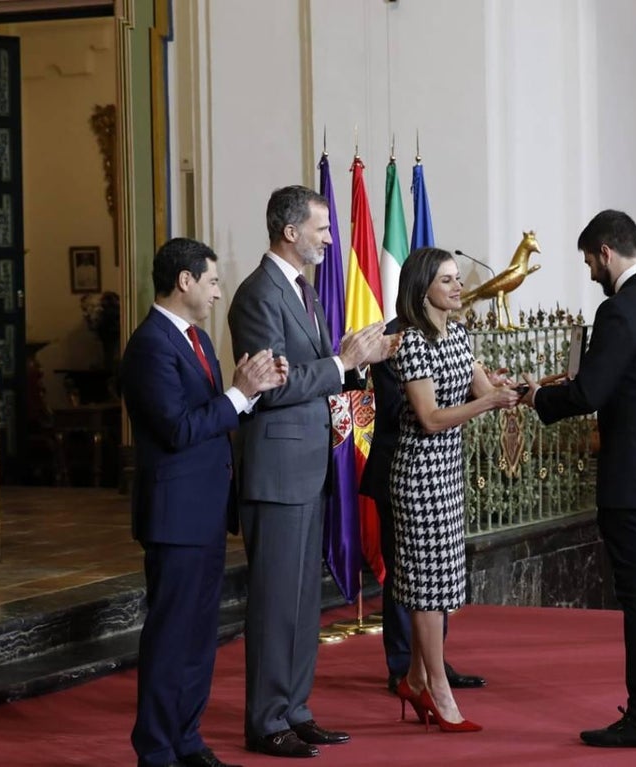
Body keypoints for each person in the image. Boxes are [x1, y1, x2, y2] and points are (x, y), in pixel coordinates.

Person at [522, 210, 636, 749]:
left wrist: (538, 396)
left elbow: (588, 394)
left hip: (633, 477)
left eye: (587, 261)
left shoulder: (619, 311)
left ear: (606, 252)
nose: (588, 273)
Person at [228, 185, 395, 758]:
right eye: (322, 227)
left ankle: (295, 710)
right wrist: (339, 362)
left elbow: (312, 372)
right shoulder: (257, 295)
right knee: (275, 601)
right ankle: (266, 719)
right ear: (290, 231)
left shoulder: (303, 291)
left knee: (302, 601)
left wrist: (352, 361)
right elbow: (268, 389)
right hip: (276, 471)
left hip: (309, 467)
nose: (330, 237)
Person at [123, 237, 288, 767]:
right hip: (175, 519)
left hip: (207, 513)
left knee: (199, 639)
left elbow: (215, 417)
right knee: (171, 639)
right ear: (186, 281)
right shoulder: (151, 345)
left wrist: (251, 393)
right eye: (213, 281)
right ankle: (156, 750)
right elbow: (176, 429)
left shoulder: (192, 339)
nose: (219, 292)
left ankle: (187, 739)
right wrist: (238, 395)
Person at [388, 248, 519, 732]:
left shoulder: (460, 334)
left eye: (457, 279)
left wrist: (521, 390)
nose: (459, 286)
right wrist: (487, 402)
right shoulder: (411, 343)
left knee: (442, 583)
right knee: (426, 587)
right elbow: (429, 418)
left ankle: (415, 679)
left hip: (447, 474)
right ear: (424, 289)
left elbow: (484, 387)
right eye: (448, 280)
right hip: (419, 474)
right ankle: (438, 691)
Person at [357, 315, 488, 695]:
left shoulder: (449, 332)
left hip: (438, 473)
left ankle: (432, 665)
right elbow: (413, 409)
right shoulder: (400, 338)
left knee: (433, 579)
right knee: (406, 576)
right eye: (446, 280)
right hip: (402, 467)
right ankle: (404, 668)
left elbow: (447, 393)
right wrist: (468, 397)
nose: (457, 288)